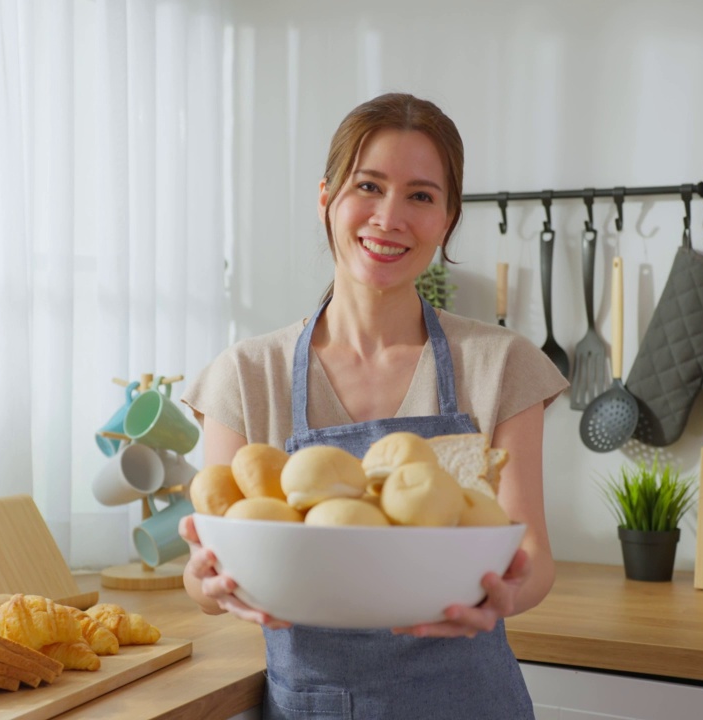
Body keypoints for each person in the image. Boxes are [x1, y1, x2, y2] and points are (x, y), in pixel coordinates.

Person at [178, 92, 568, 719]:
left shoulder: (501, 364)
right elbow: (205, 572)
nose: (390, 218)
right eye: (369, 185)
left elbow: (535, 559)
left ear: (447, 219)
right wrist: (210, 580)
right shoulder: (248, 375)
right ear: (326, 197)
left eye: (420, 195)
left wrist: (507, 594)